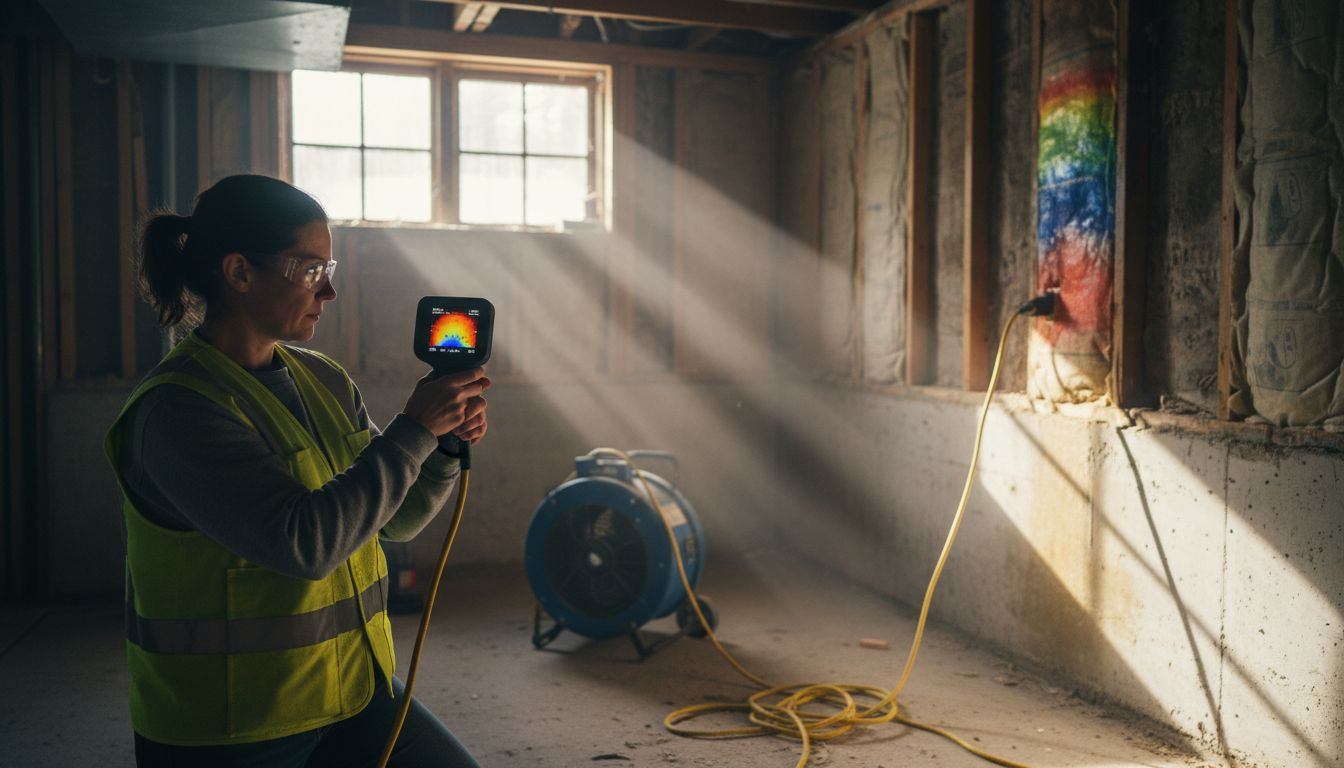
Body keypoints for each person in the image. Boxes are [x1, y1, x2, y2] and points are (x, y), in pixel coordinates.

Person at [104, 174, 488, 768]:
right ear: (238, 273)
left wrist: (439, 448)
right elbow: (304, 544)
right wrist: (413, 431)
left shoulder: (325, 379)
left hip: (351, 692)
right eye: (311, 271)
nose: (329, 292)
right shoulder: (177, 411)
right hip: (232, 726)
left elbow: (396, 522)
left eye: (328, 270)